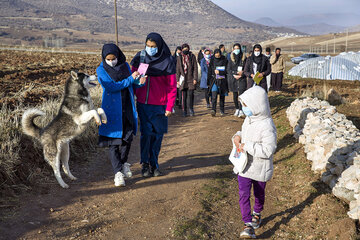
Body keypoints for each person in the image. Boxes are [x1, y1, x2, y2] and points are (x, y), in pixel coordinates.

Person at [96, 43, 146, 187]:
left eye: (114, 58)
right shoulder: (101, 70)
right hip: (112, 110)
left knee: (127, 139)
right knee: (113, 142)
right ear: (104, 58)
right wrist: (131, 79)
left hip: (127, 107)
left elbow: (131, 84)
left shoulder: (125, 67)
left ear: (118, 56)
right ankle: (118, 173)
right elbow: (111, 87)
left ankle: (124, 163)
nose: (112, 61)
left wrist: (140, 81)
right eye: (108, 59)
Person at [232, 86, 277, 238]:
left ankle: (257, 212)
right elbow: (244, 133)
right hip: (244, 166)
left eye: (246, 105)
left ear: (256, 106)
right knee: (243, 194)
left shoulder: (267, 126)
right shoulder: (249, 119)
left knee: (259, 194)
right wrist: (237, 137)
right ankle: (247, 224)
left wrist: (248, 146)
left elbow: (269, 149)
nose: (244, 109)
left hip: (259, 168)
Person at [130, 32, 177, 177]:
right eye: (148, 45)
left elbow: (172, 86)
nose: (150, 48)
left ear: (159, 46)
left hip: (160, 106)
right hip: (144, 104)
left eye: (153, 46)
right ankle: (144, 164)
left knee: (157, 136)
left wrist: (169, 106)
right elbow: (131, 79)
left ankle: (154, 164)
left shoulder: (167, 61)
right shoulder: (140, 57)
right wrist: (137, 82)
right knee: (146, 135)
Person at [176, 43, 198, 117]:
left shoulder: (192, 56)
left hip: (191, 79)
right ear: (182, 49)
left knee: (191, 95)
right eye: (184, 48)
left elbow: (195, 68)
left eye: (187, 48)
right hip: (183, 79)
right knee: (183, 96)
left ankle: (191, 109)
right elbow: (178, 69)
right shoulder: (179, 57)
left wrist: (195, 78)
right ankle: (184, 111)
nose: (185, 50)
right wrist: (177, 80)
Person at [227, 43, 247, 118]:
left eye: (238, 48)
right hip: (234, 79)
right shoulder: (230, 59)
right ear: (233, 49)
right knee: (235, 95)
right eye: (235, 48)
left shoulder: (244, 58)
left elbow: (247, 68)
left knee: (242, 95)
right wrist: (234, 74)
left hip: (242, 78)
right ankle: (237, 108)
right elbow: (228, 69)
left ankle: (242, 109)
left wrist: (242, 73)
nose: (236, 50)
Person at [207, 48, 228, 117]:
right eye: (216, 56)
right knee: (214, 95)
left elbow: (227, 70)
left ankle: (222, 110)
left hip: (222, 80)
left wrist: (220, 72)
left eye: (218, 56)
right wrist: (208, 82)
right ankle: (213, 110)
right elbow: (209, 71)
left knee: (222, 96)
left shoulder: (224, 60)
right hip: (214, 80)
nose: (217, 57)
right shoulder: (212, 61)